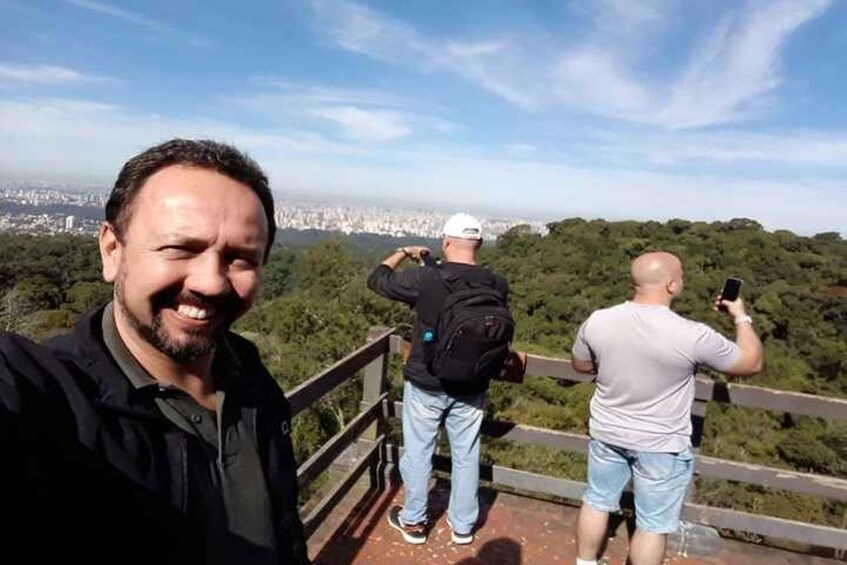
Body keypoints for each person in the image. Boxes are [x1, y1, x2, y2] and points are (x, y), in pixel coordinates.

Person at [0, 139, 309, 564]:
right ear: (112, 250)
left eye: (241, 259)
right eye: (180, 248)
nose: (211, 283)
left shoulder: (249, 375)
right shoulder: (52, 399)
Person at [570, 251, 764, 565]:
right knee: (652, 526)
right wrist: (740, 315)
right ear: (671, 285)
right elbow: (751, 362)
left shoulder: (599, 319)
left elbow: (580, 364)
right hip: (661, 443)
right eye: (682, 276)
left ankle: (585, 562)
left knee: (596, 502)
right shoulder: (692, 334)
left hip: (607, 431)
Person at [367, 213, 510, 546]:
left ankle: (414, 522)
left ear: (446, 241)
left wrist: (403, 251)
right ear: (480, 244)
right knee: (466, 455)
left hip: (427, 381)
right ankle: (463, 527)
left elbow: (378, 279)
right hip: (473, 384)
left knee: (418, 453)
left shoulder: (425, 280)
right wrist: (431, 261)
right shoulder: (497, 283)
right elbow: (461, 284)